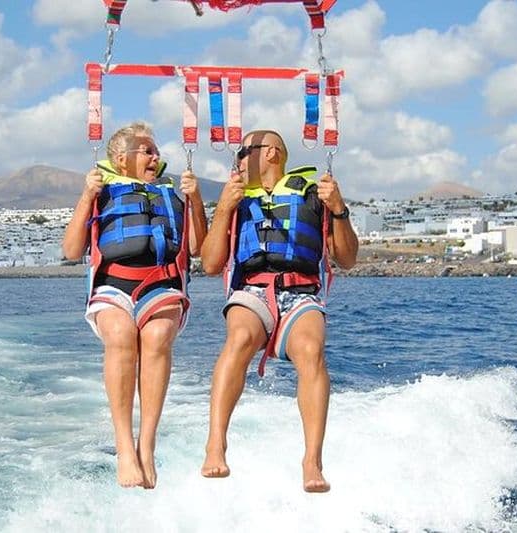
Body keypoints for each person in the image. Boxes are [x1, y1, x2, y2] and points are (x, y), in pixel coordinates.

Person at [199, 129, 358, 492]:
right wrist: (223, 207)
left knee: (311, 351)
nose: (236, 161)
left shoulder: (314, 196)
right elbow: (210, 264)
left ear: (269, 153)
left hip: (301, 294)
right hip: (252, 290)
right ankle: (216, 444)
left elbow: (347, 258)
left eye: (242, 153)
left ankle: (312, 460)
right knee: (239, 338)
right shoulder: (236, 200)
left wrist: (339, 209)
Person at [63, 121, 207, 489]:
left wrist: (196, 201)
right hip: (114, 284)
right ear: (120, 158)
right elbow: (70, 250)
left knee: (158, 335)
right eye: (147, 150)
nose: (156, 157)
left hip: (162, 283)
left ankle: (147, 444)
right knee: (121, 334)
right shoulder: (102, 192)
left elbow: (198, 249)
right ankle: (125, 447)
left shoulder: (173, 194)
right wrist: (85, 195)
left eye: (157, 151)